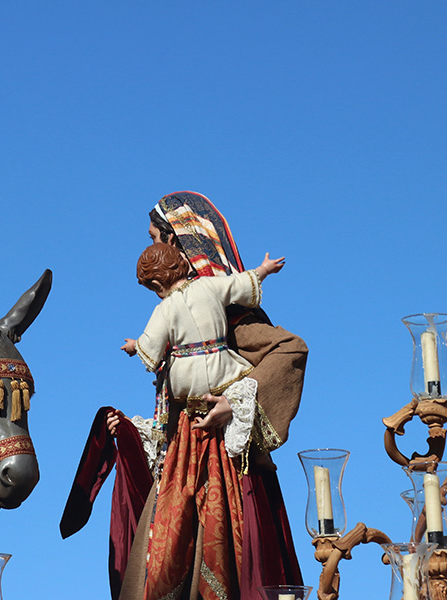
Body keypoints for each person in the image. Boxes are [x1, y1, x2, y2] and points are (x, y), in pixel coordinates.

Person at [111, 191, 306, 600]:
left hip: (229, 467)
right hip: (183, 455)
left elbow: (292, 349)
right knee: (160, 562)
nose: (150, 249)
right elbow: (168, 399)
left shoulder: (232, 318)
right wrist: (132, 431)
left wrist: (233, 404)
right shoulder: (177, 318)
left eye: (155, 238)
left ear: (178, 243)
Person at [121, 242, 285, 462]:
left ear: (157, 283)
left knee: (183, 414)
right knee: (242, 397)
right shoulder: (208, 285)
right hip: (223, 368)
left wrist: (134, 346)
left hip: (188, 382)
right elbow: (239, 284)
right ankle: (254, 451)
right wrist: (264, 269)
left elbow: (151, 342)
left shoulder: (164, 308)